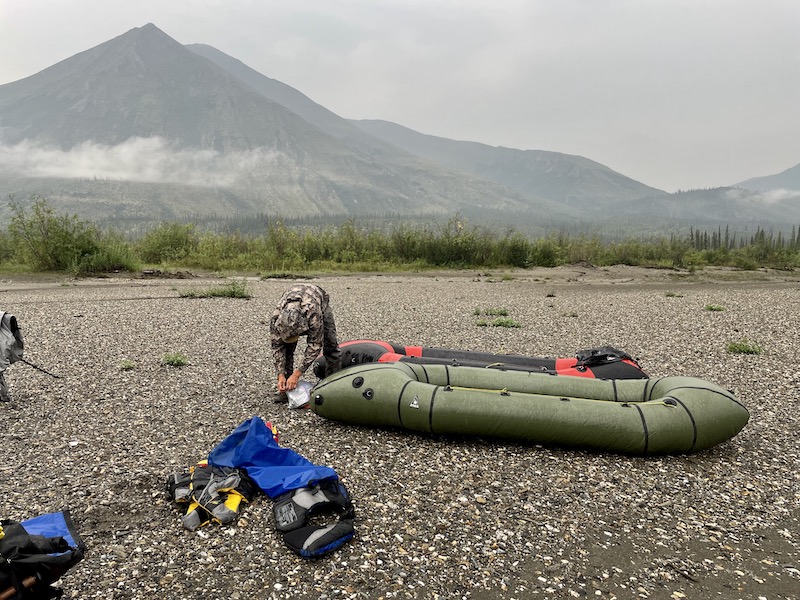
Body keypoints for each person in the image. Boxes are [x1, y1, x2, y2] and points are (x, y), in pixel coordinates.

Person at [270, 284, 341, 400]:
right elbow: (277, 347)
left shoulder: (313, 315)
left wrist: (297, 374)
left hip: (318, 300)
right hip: (293, 298)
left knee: (331, 346)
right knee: (286, 350)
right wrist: (280, 374)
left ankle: (333, 389)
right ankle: (287, 389)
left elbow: (315, 345)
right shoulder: (276, 318)